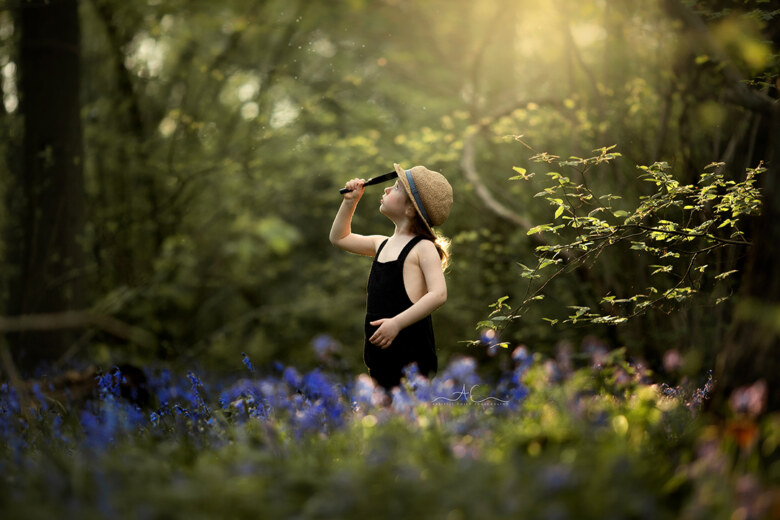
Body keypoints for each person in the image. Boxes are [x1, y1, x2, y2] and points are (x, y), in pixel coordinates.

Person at [329, 163, 453, 392]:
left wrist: (397, 323)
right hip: (380, 356)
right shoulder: (381, 244)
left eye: (395, 188)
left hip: (411, 356)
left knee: (409, 416)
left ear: (410, 210)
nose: (385, 190)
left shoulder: (423, 247)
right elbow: (339, 238)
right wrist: (350, 202)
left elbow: (439, 294)